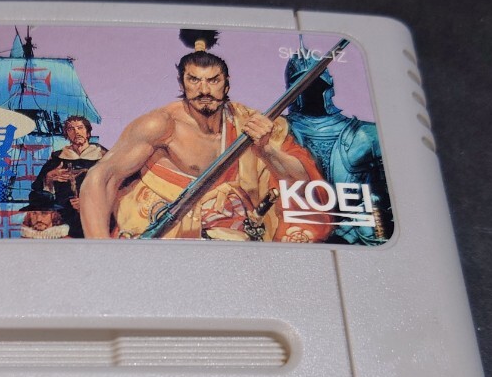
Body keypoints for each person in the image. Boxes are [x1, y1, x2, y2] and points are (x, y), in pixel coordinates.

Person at [80, 32, 331, 241]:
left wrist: (267, 150)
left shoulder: (247, 121)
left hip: (231, 236)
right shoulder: (161, 125)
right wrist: (101, 251)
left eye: (213, 81)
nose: (204, 90)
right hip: (162, 235)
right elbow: (100, 177)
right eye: (194, 80)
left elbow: (302, 184)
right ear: (182, 84)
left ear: (226, 84)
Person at [283, 38, 392, 244]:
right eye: (303, 86)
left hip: (360, 239)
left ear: (327, 85)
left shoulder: (366, 135)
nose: (311, 91)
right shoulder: (278, 132)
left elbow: (386, 199)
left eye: (316, 85)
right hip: (299, 236)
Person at [29, 115, 107, 239]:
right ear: (67, 135)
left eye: (80, 128)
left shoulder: (104, 157)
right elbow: (36, 192)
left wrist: (87, 204)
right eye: (71, 129)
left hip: (96, 216)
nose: (76, 132)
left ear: (88, 132)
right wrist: (48, 179)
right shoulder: (57, 159)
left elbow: (117, 187)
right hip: (63, 217)